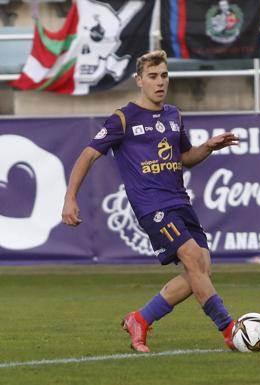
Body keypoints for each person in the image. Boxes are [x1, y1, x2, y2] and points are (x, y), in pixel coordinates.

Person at [61, 50, 240, 353]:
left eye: (164, 75)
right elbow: (89, 154)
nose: (160, 82)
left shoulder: (173, 115)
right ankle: (229, 328)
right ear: (139, 80)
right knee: (194, 259)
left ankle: (140, 319)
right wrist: (70, 197)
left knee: (202, 267)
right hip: (152, 207)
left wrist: (207, 147)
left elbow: (184, 158)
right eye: (153, 76)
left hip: (180, 201)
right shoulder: (123, 118)